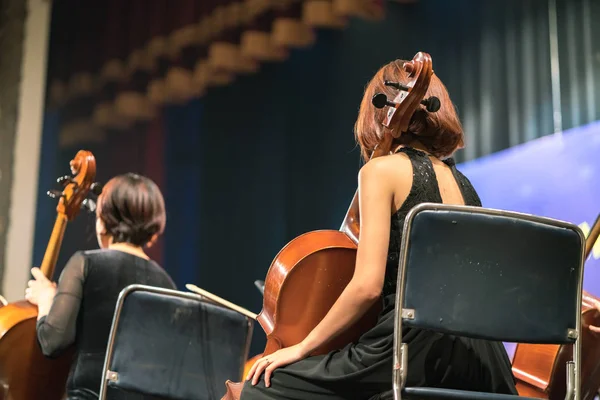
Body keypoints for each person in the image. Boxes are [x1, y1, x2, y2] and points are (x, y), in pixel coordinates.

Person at [240, 60, 518, 400]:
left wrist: (301, 348)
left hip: (409, 353)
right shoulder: (466, 185)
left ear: (378, 109)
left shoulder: (380, 171)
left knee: (256, 390)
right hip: (483, 363)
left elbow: (367, 288)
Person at [25, 173, 176, 400]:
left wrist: (47, 298)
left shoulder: (85, 263)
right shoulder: (167, 283)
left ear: (103, 221)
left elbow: (52, 342)